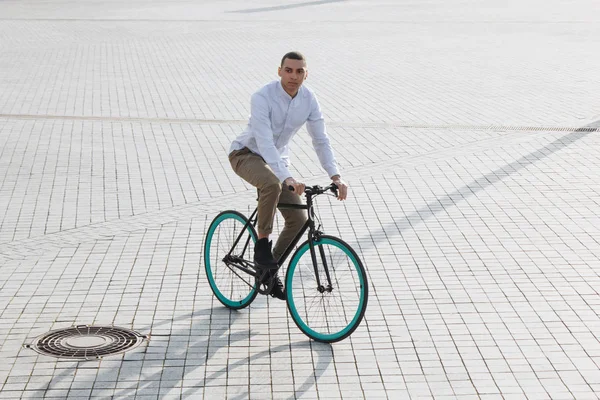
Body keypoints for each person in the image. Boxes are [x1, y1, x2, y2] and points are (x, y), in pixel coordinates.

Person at [228, 51, 348, 300]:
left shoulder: (309, 99)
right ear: (280, 71)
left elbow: (320, 139)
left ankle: (268, 272)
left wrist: (335, 175)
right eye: (289, 70)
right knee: (271, 183)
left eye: (299, 71)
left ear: (306, 73)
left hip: (277, 162)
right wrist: (287, 178)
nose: (294, 76)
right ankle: (262, 245)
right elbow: (263, 141)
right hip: (246, 154)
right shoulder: (262, 96)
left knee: (299, 219)